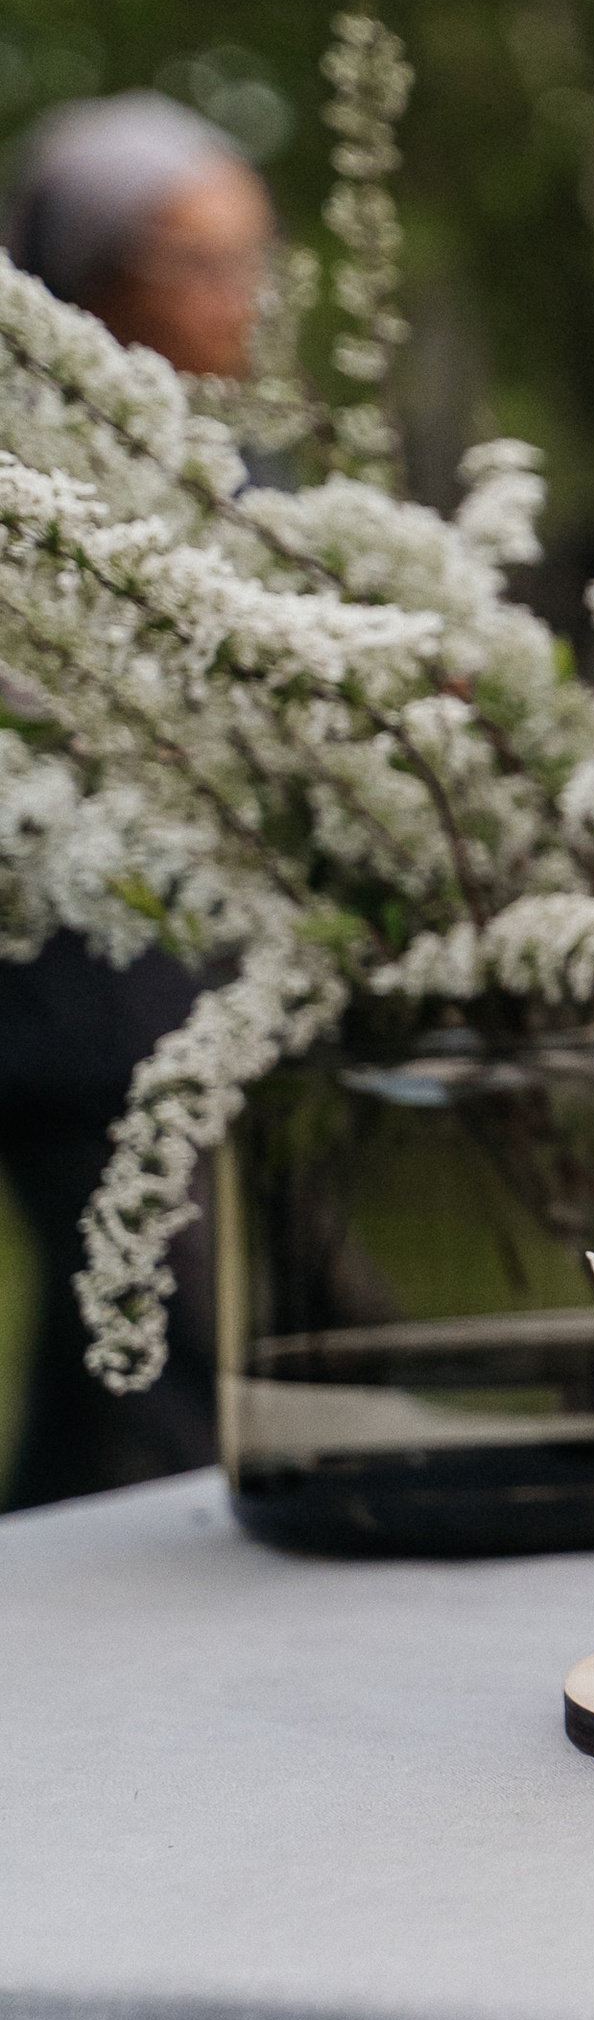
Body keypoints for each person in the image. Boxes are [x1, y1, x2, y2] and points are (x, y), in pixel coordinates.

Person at [1, 96, 274, 1509]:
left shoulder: (233, 477)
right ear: (84, 280)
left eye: (252, 263)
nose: (240, 304)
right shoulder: (27, 485)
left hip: (198, 975)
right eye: (200, 265)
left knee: (123, 1342)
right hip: (69, 989)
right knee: (169, 1334)